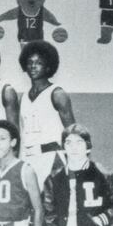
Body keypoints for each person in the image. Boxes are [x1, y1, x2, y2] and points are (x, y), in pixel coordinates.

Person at [18, 40, 74, 187]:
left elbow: (72, 132)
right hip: (29, 158)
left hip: (52, 157)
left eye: (39, 63)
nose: (33, 66)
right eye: (30, 62)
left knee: (53, 206)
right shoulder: (23, 97)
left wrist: (74, 163)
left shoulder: (57, 93)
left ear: (48, 66)